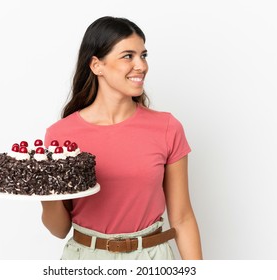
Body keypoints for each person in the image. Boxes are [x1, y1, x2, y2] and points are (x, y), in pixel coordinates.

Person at [41, 16, 202, 260]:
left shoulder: (167, 127)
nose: (141, 65)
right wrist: (44, 193)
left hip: (152, 259)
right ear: (97, 65)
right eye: (128, 56)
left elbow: (181, 217)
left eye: (143, 55)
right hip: (86, 260)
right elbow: (59, 228)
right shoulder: (60, 136)